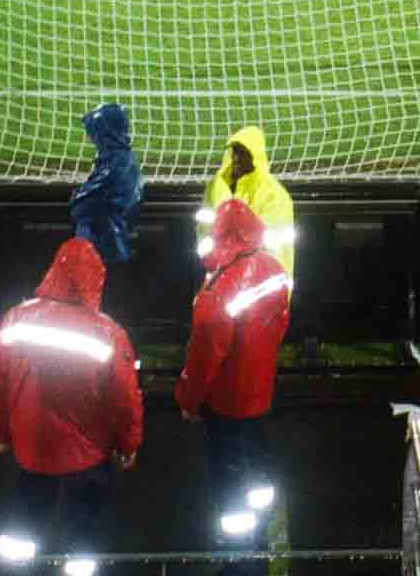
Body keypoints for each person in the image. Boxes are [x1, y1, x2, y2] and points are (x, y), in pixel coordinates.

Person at [0, 238, 142, 574]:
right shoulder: (109, 335)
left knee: (23, 524)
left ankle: (14, 569)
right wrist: (127, 446)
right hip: (86, 454)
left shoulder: (16, 319)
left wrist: (2, 434)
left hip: (31, 447)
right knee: (86, 529)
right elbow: (124, 402)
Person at [176, 198, 293, 576]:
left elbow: (204, 359)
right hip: (260, 390)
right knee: (257, 463)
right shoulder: (275, 271)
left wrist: (188, 401)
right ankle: (263, 535)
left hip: (227, 401)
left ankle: (240, 558)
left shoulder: (219, 294)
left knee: (229, 479)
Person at [199, 125, 295, 282]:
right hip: (219, 279)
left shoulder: (274, 195)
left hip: (263, 283)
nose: (235, 158)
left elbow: (272, 248)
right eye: (234, 151)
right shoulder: (217, 186)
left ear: (254, 156)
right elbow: (203, 230)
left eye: (242, 153)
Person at [69, 102, 143, 266]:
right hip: (104, 240)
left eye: (92, 132)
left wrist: (77, 197)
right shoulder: (116, 158)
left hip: (104, 244)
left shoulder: (119, 162)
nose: (89, 137)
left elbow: (88, 201)